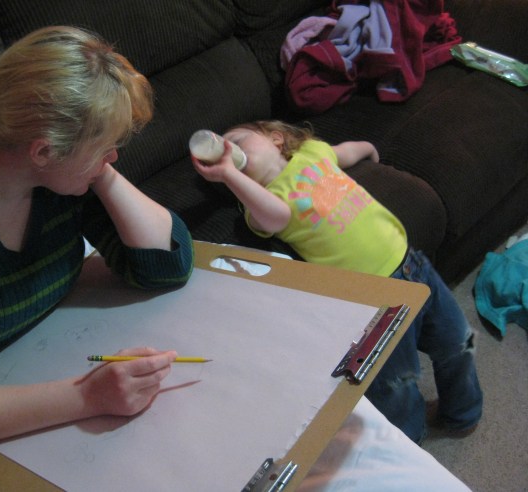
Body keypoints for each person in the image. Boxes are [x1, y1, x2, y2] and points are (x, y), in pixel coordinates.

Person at [0, 26, 194, 451]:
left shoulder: (53, 179)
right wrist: (89, 396)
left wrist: (96, 166)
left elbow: (164, 265)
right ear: (42, 152)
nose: (113, 157)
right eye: (106, 148)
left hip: (43, 350)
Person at [191, 119, 482, 444]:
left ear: (276, 138)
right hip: (373, 300)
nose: (230, 151)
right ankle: (410, 442)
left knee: (457, 341)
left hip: (412, 264)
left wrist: (368, 149)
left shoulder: (312, 152)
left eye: (237, 141)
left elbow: (343, 152)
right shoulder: (262, 205)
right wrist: (229, 175)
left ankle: (462, 414)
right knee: (395, 384)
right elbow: (276, 217)